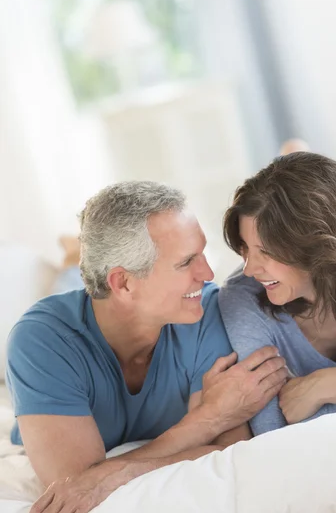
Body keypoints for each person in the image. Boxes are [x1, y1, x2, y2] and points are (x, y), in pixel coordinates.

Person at [6, 181, 288, 513]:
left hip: (115, 295)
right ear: (124, 282)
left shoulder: (206, 311)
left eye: (203, 253)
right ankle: (72, 260)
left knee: (96, 289)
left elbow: (228, 447)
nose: (209, 274)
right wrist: (209, 416)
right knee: (77, 286)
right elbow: (79, 485)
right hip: (94, 304)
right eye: (186, 262)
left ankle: (74, 260)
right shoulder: (41, 341)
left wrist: (123, 469)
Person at [219, 152, 336, 436]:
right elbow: (274, 431)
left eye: (265, 251)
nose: (251, 268)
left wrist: (328, 385)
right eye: (245, 248)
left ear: (316, 244)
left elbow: (300, 414)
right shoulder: (241, 301)